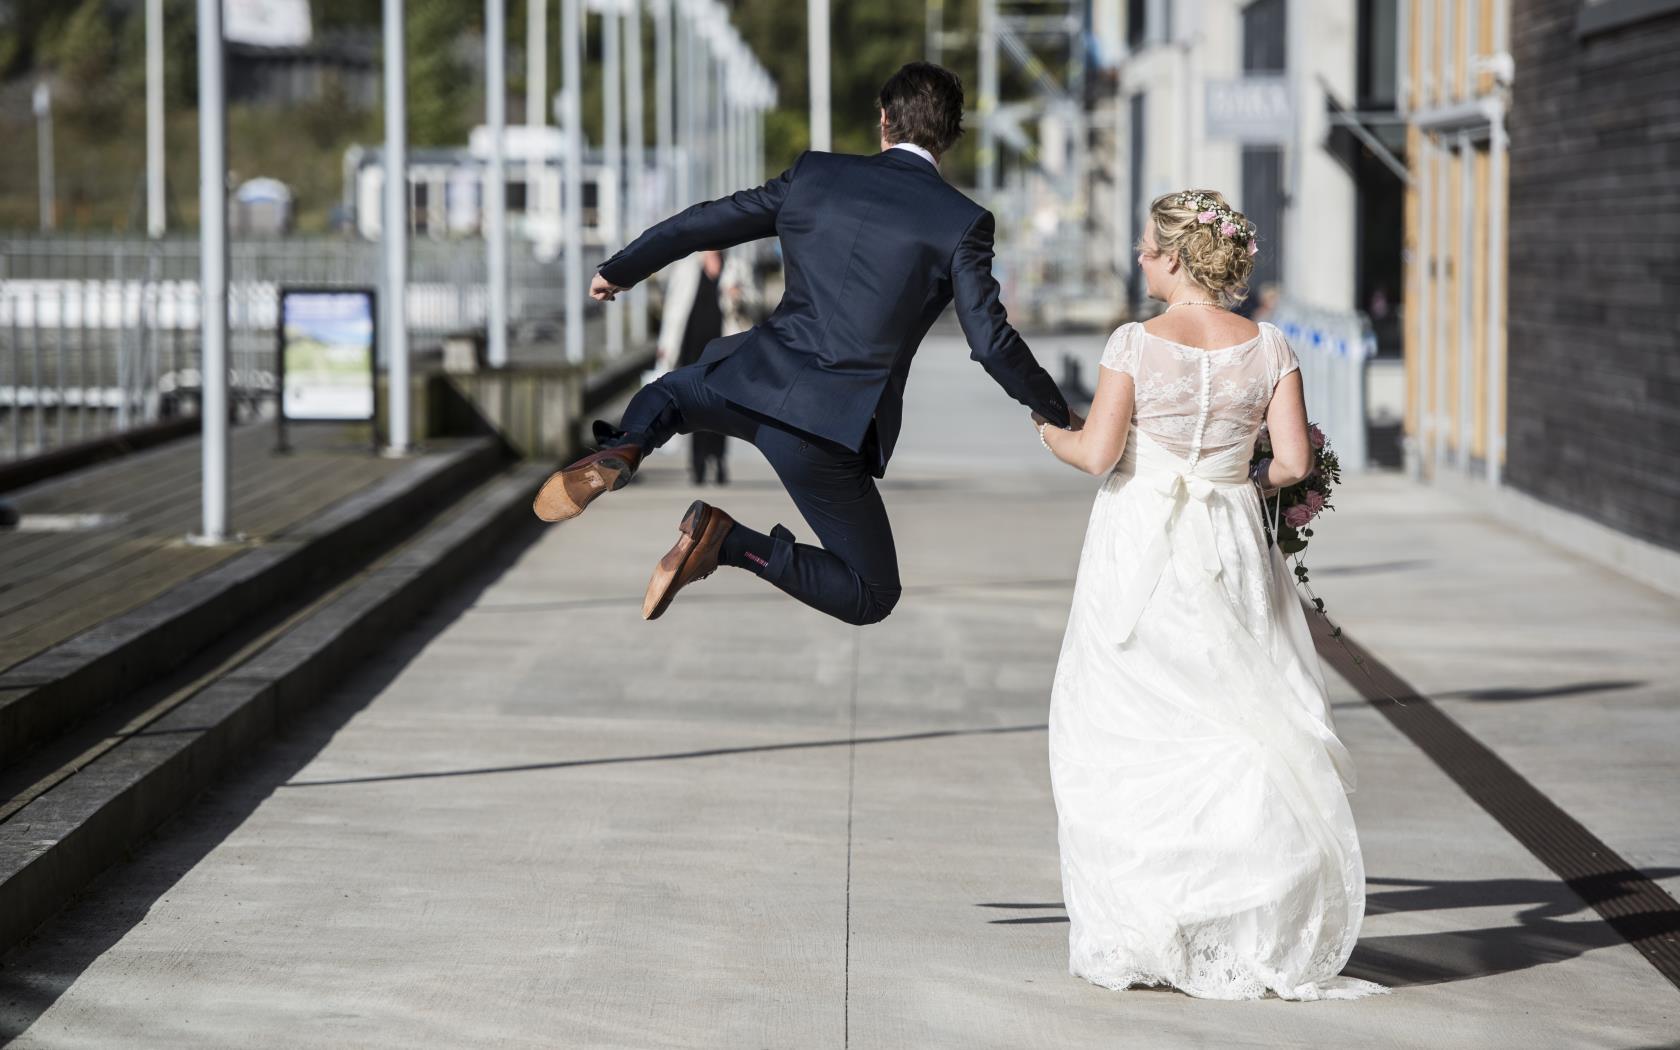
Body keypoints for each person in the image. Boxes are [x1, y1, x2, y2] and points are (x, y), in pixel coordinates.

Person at [532, 62, 1074, 625]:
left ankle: (626, 446)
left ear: (883, 120)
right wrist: (1056, 410)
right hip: (826, 431)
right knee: (870, 593)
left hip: (747, 380)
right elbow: (990, 341)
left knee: (669, 394)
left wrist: (621, 270)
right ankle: (729, 542)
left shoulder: (816, 175)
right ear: (952, 137)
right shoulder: (963, 222)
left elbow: (704, 223)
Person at [1033, 190, 1384, 1001]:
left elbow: (1096, 455)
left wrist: (1049, 431)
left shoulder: (1134, 342)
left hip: (1138, 547)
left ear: (1179, 257)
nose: (1139, 259)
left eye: (1148, 250)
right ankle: (1240, 918)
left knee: (1129, 727)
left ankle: (1149, 920)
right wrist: (1237, 479)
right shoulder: (1269, 345)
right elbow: (1293, 463)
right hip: (1225, 541)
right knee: (1236, 717)